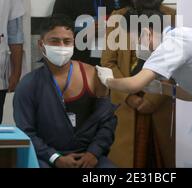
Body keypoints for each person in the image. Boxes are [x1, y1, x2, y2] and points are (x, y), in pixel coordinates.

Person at [96, 8, 192, 168]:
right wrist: (162, 89)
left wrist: (109, 81)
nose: (138, 48)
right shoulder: (183, 35)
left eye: (137, 41)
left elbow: (134, 84)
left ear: (147, 32)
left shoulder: (171, 43)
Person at [14, 15, 117, 168]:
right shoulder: (28, 84)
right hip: (46, 158)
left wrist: (94, 153)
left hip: (87, 157)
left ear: (74, 43)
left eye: (67, 41)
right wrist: (55, 158)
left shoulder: (93, 75)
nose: (61, 46)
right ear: (41, 44)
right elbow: (25, 131)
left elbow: (107, 121)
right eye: (54, 41)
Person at [101, 0, 176, 168]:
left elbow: (175, 63)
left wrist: (152, 99)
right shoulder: (117, 17)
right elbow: (108, 62)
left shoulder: (171, 15)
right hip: (126, 104)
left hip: (159, 103)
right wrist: (129, 96)